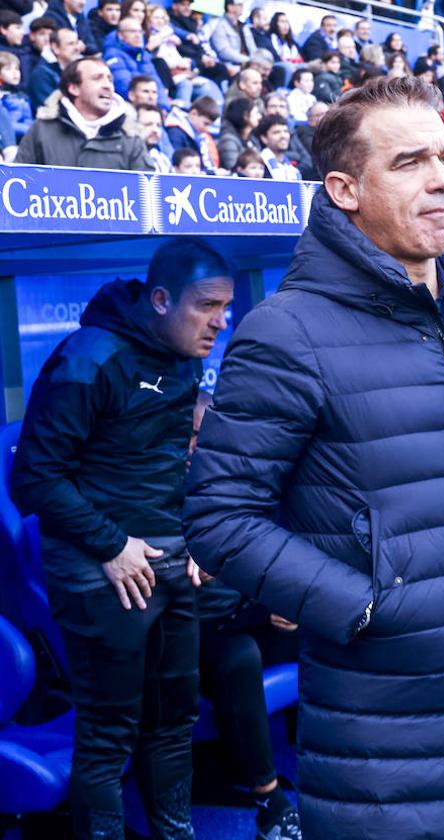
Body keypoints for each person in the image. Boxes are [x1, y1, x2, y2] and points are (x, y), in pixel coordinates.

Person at [182, 76, 444, 840]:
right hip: (388, 720)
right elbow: (218, 516)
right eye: (408, 163)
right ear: (344, 189)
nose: (441, 178)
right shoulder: (287, 331)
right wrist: (363, 606)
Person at [9, 239, 235, 839]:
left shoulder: (183, 360)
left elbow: (166, 473)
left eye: (226, 307)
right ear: (161, 299)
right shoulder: (90, 356)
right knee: (109, 732)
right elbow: (32, 478)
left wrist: (195, 540)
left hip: (167, 564)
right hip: (99, 569)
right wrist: (111, 545)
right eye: (208, 305)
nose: (220, 321)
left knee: (172, 722)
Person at [189, 394, 302, 840]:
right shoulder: (157, 489)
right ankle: (269, 802)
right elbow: (202, 589)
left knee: (328, 630)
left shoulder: (240, 482)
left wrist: (285, 600)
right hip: (193, 629)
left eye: (210, 437)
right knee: (239, 656)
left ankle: (352, 758)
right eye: (194, 436)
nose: (201, 447)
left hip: (245, 613)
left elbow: (267, 555)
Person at [17, 55, 151, 169]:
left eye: (110, 79)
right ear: (74, 88)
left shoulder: (131, 137)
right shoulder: (42, 130)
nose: (107, 85)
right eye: (97, 78)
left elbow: (146, 193)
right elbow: (19, 182)